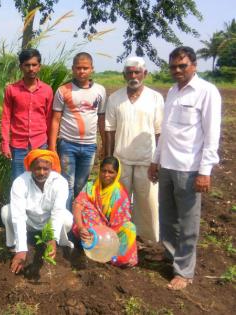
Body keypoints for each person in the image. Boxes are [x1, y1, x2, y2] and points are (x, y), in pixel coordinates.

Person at [148, 46, 221, 290]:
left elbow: (212, 135)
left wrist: (205, 171)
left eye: (182, 66)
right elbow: (166, 131)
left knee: (188, 222)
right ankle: (170, 255)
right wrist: (156, 160)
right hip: (167, 164)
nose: (177, 71)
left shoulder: (206, 92)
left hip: (190, 168)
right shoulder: (172, 92)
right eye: (173, 67)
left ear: (194, 65)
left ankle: (184, 271)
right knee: (167, 217)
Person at [105, 57, 164, 243]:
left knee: (148, 203)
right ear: (123, 75)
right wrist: (108, 159)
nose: (133, 76)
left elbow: (159, 131)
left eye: (137, 72)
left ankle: (147, 239)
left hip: (147, 160)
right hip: (121, 159)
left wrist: (159, 160)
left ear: (144, 73)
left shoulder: (155, 98)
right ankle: (118, 236)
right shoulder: (115, 98)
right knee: (118, 202)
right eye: (129, 72)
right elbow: (109, 130)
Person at [49, 52, 106, 210]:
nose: (82, 71)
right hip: (68, 144)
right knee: (67, 183)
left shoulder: (100, 91)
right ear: (73, 69)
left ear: (92, 69)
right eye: (78, 68)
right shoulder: (63, 90)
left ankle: (78, 220)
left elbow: (101, 119)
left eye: (85, 68)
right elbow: (55, 119)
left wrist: (105, 144)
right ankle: (65, 221)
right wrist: (53, 147)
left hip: (89, 146)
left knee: (81, 185)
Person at [1, 149, 73, 274]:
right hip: (28, 221)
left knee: (67, 219)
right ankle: (14, 246)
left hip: (47, 223)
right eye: (37, 168)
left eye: (45, 169)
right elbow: (18, 216)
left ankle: (56, 244)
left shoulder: (60, 182)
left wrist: (52, 238)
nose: (41, 172)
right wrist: (22, 250)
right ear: (30, 168)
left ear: (51, 167)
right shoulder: (20, 182)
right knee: (6, 212)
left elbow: (57, 212)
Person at [72, 156, 138, 266]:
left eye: (111, 172)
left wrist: (108, 233)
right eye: (104, 171)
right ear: (99, 170)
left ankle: (114, 257)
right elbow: (78, 205)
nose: (106, 175)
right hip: (93, 229)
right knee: (87, 211)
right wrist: (81, 227)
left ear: (117, 174)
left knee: (129, 228)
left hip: (112, 232)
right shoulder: (91, 187)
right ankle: (94, 252)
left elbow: (122, 220)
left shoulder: (120, 193)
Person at [0, 49, 54, 181]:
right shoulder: (12, 90)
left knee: (41, 180)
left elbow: (49, 118)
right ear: (21, 67)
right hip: (18, 146)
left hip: (40, 143)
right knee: (20, 181)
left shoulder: (47, 90)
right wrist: (5, 144)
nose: (31, 68)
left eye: (34, 65)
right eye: (27, 65)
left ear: (39, 67)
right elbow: (6, 118)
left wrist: (51, 145)